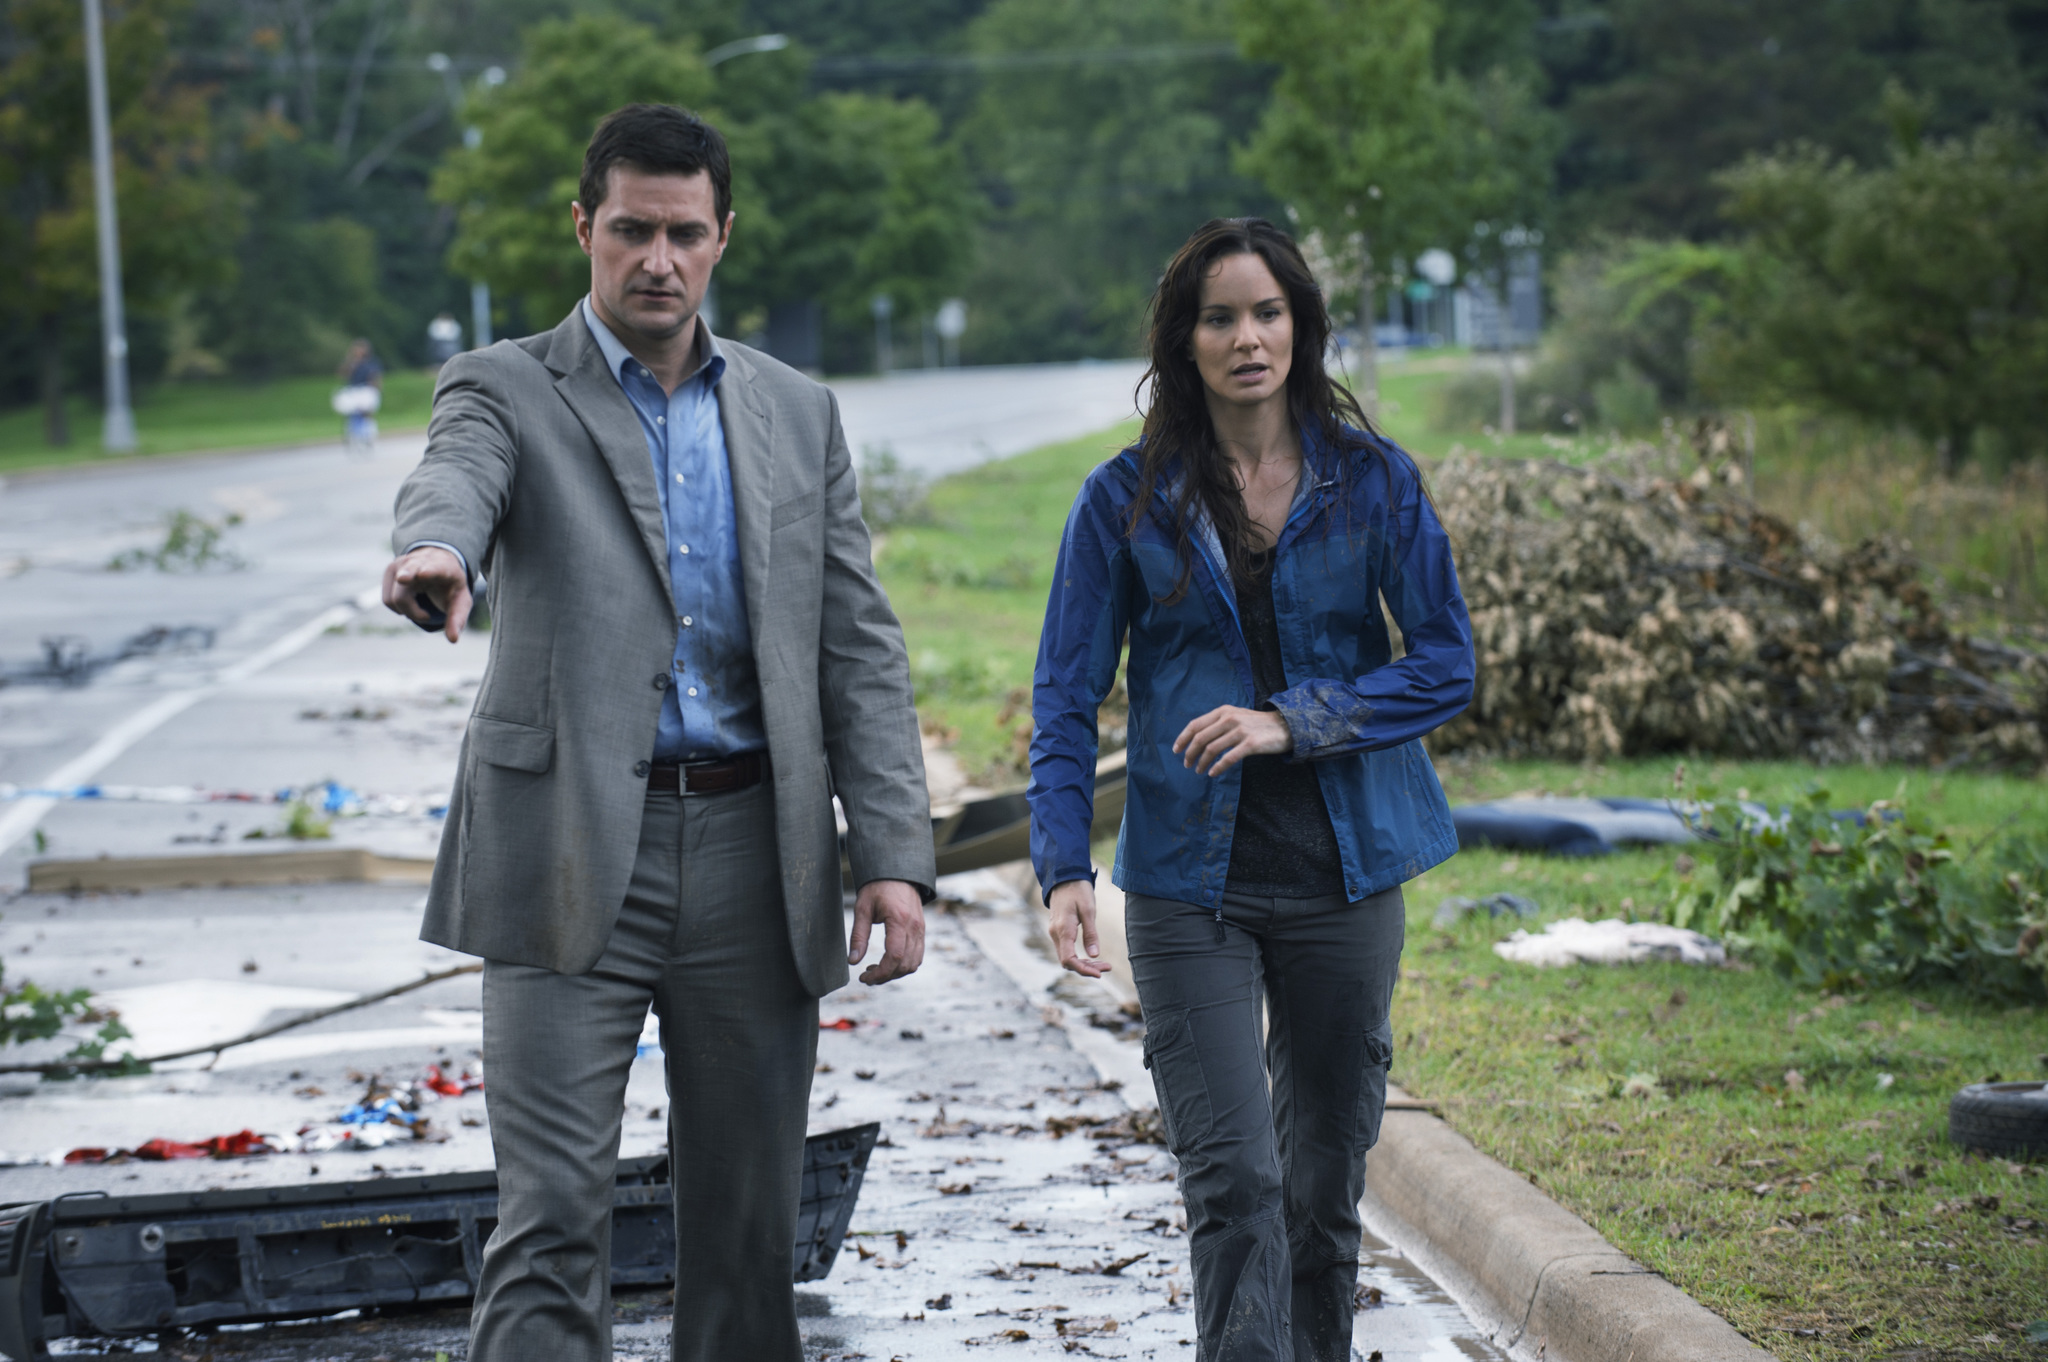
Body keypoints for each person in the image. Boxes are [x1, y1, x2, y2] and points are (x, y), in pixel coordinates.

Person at [380, 103, 935, 1362]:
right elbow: (453, 475)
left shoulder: (798, 413)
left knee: (746, 1229)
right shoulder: (505, 386)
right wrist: (434, 549)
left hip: (756, 850)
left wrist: (893, 853)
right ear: (585, 228)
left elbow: (856, 641)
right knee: (552, 1215)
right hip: (564, 845)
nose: (657, 261)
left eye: (685, 234)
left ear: (722, 238)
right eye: (630, 231)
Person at [1028, 217, 1474, 1362]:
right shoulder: (1119, 499)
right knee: (1233, 1179)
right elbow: (1066, 694)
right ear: (1182, 340)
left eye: (1266, 313)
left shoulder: (1372, 483)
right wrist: (1060, 864)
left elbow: (1443, 666)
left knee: (1321, 1190)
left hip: (1347, 872)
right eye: (1218, 317)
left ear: (1300, 327)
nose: (1246, 338)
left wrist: (1293, 722)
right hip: (1189, 885)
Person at [333, 338, 384, 455]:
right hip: (354, 390)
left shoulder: (371, 363)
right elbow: (342, 374)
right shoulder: (352, 363)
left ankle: (368, 438)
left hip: (366, 390)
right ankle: (351, 438)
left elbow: (375, 377)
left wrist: (376, 390)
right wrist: (350, 362)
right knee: (351, 415)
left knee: (366, 415)